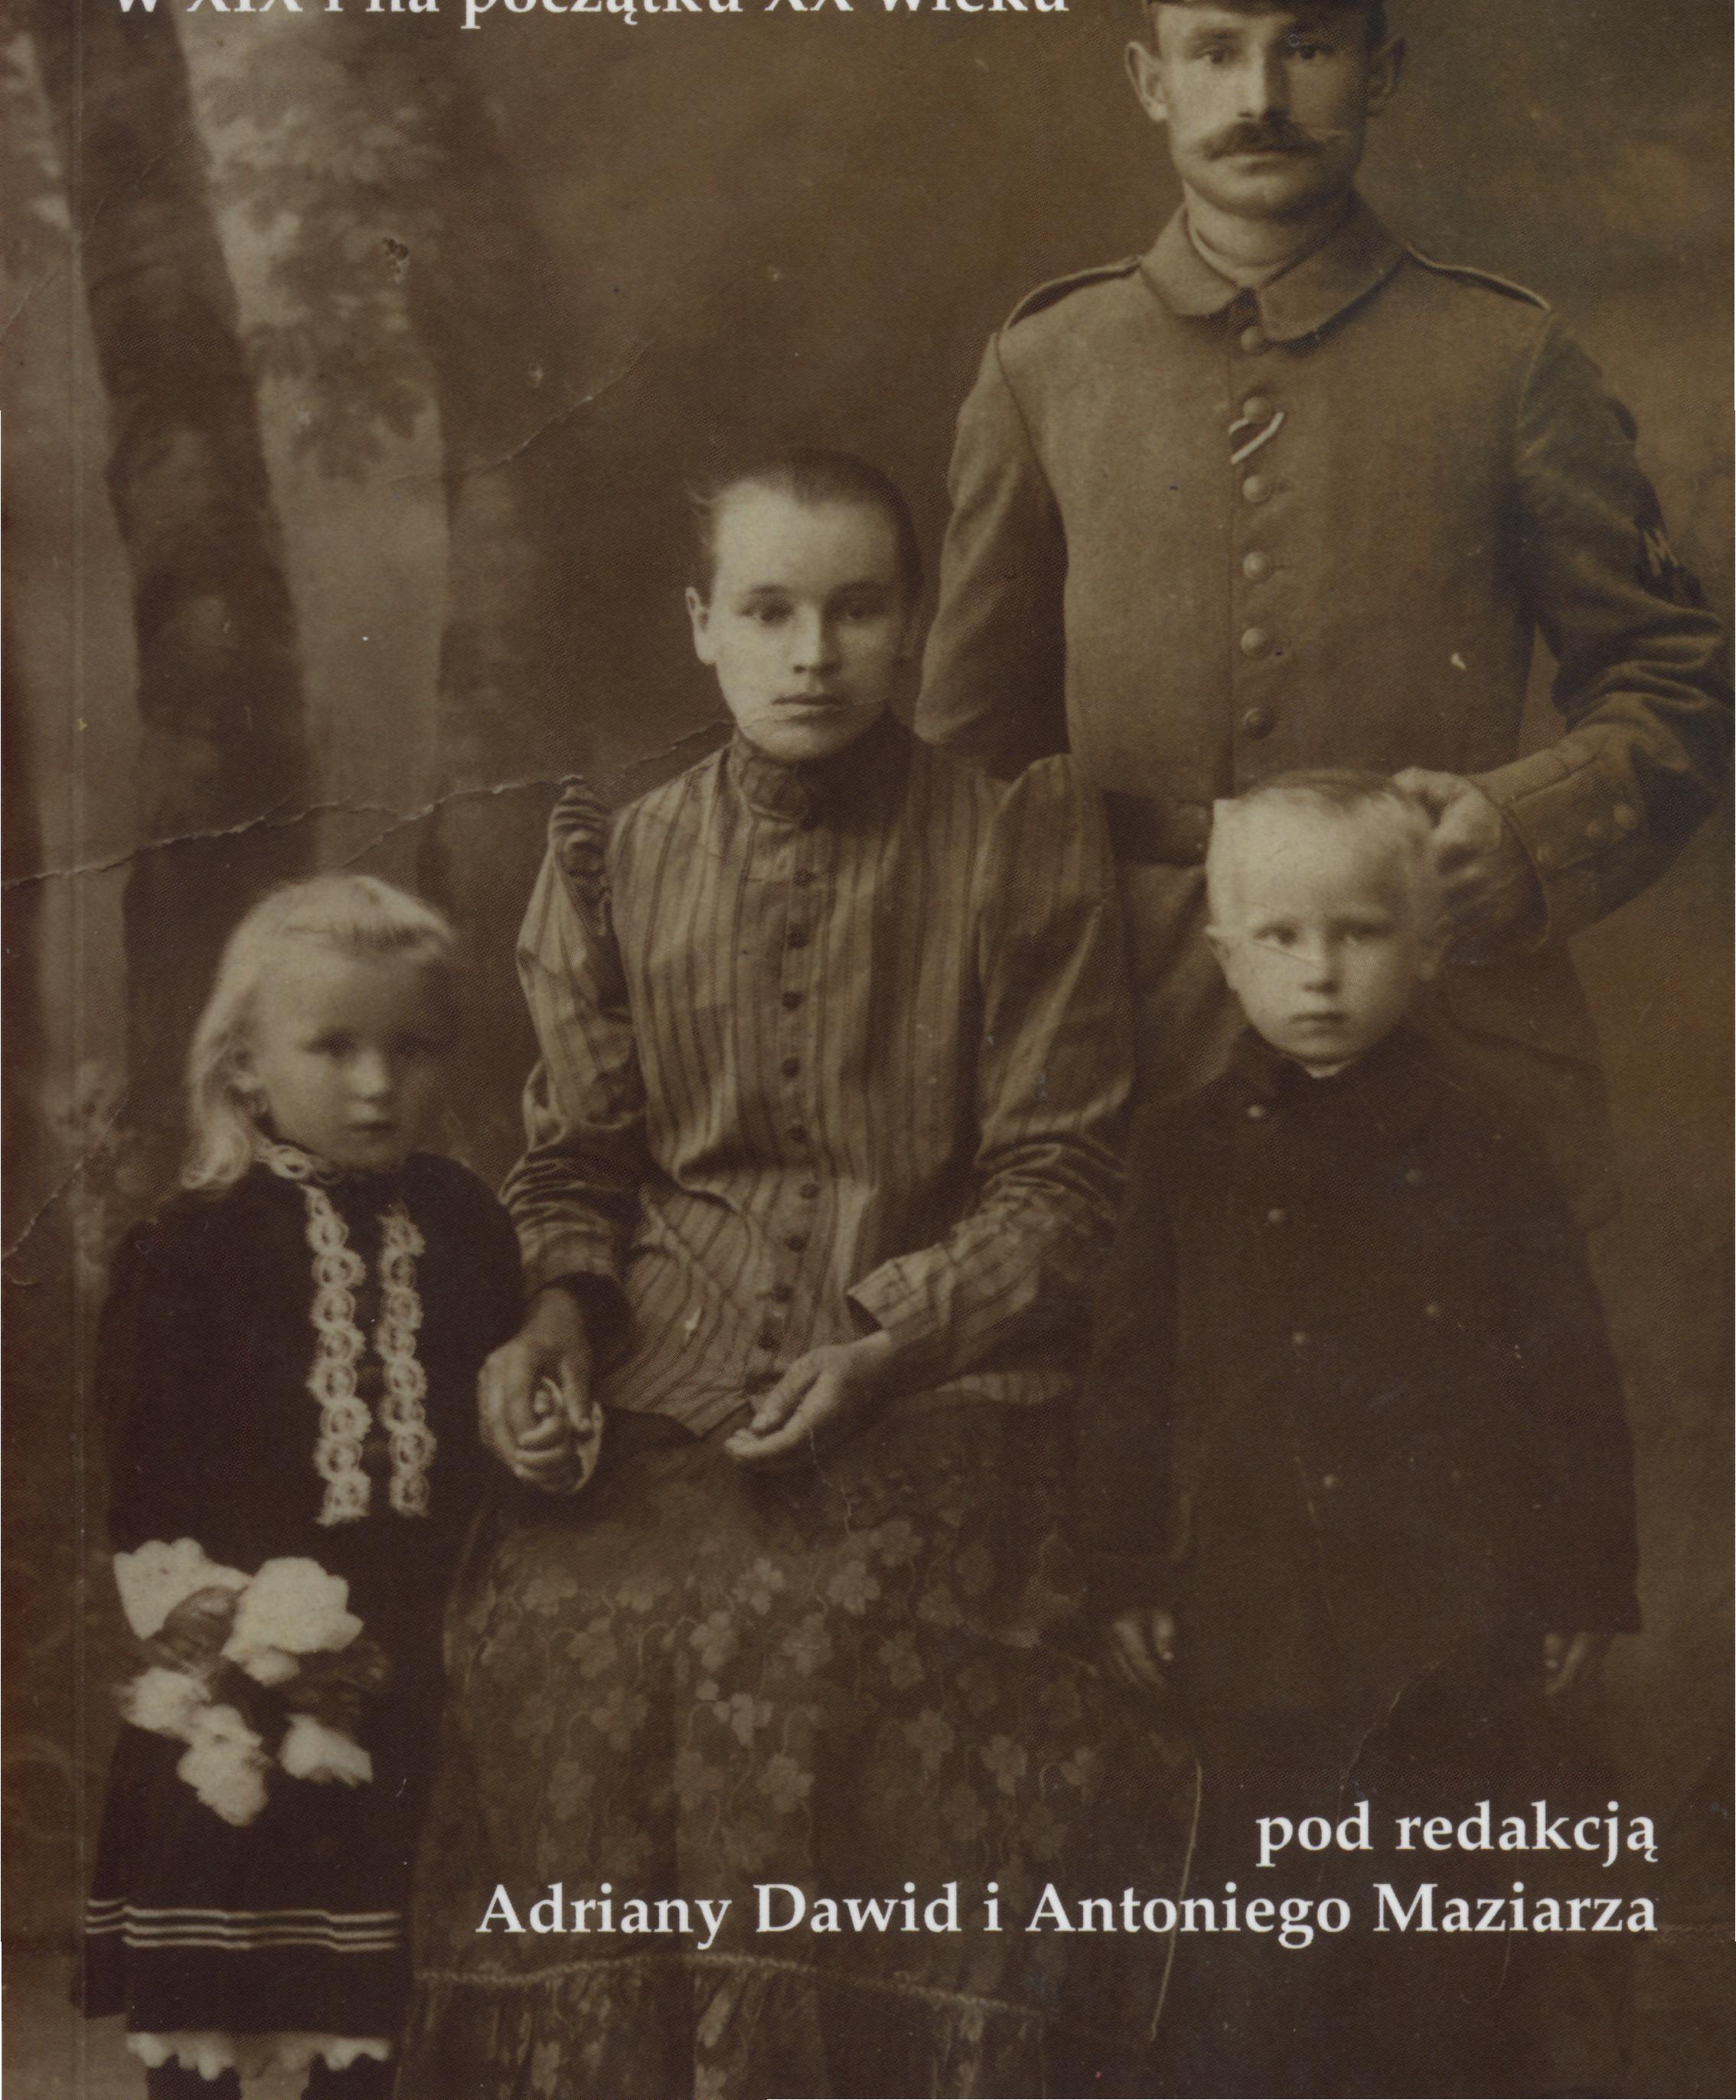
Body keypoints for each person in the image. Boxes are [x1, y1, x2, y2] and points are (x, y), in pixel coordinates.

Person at [400, 451, 1185, 2100]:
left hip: (939, 1379)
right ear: (703, 625)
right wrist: (554, 1323)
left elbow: (1063, 1182)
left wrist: (883, 1345)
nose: (813, 653)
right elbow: (581, 1160)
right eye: (768, 611)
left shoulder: (1015, 840)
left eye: (857, 609)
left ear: (914, 625)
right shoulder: (615, 854)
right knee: (571, 1629)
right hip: (663, 1379)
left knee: (805, 1636)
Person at [914, 0, 1731, 1224]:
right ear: (1150, 82)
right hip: (1122, 1051)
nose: (1262, 96)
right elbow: (966, 765)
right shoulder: (1049, 365)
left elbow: (1678, 682)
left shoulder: (1506, 361)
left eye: (1310, 46)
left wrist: (1518, 828)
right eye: (1215, 52)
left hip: (1448, 1035)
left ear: (1382, 71)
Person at [1077, 771, 1641, 2098]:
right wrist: (1126, 1572)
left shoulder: (1489, 1145)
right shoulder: (1182, 1152)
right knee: (1262, 1958)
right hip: (1255, 1616)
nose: (1319, 971)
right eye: (1280, 936)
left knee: (1440, 1957)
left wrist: (1581, 1583)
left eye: (1360, 932)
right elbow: (1130, 1382)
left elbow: (1568, 1378)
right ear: (1226, 957)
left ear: (1431, 948)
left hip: (1448, 1622)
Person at [80, 876, 523, 2100]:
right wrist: (218, 1631)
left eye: (411, 1049)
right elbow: (148, 1474)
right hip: (246, 1654)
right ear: (245, 1065)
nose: (378, 1084)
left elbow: (490, 1431)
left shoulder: (468, 1225)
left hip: (419, 1663)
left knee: (371, 2013)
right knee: (213, 1989)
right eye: (334, 1048)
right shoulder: (191, 1244)